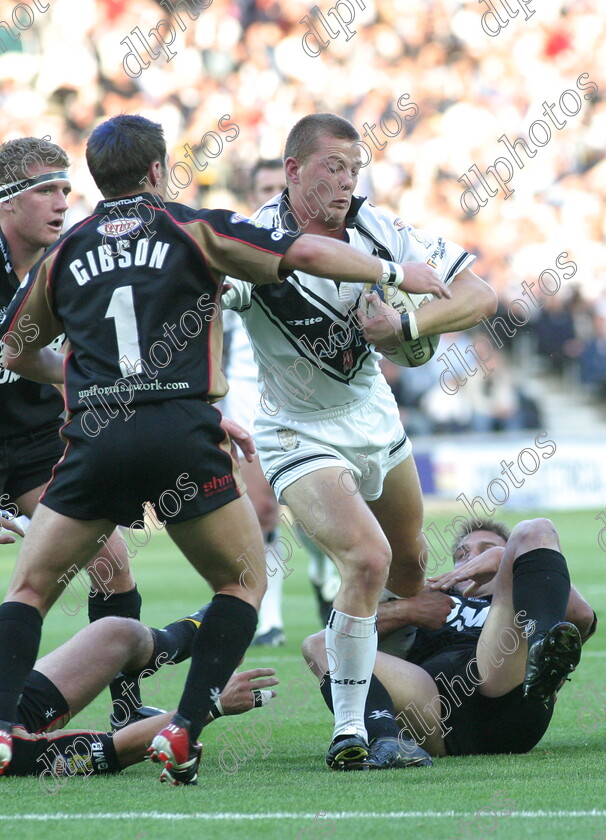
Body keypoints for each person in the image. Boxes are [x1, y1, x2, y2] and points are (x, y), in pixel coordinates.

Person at [0, 114, 446, 782]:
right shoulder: (191, 226)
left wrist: (90, 382)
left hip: (96, 435)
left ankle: (5, 729)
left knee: (32, 587)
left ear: (95, 179)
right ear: (157, 171)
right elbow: (302, 254)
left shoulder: (68, 251)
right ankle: (182, 728)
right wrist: (393, 269)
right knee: (243, 580)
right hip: (182, 429)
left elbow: (14, 346)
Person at [223, 112, 498, 768]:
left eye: (354, 169)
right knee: (367, 559)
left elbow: (479, 294)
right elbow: (205, 303)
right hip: (296, 435)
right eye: (332, 168)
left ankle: (411, 694)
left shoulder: (381, 227)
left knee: (408, 568)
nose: (347, 182)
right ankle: (354, 729)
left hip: (377, 427)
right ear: (292, 171)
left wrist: (406, 322)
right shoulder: (254, 241)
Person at [0, 136, 149, 712]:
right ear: (7, 201)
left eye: (66, 188)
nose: (62, 202)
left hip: (37, 447)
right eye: (45, 190)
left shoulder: (70, 262)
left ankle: (127, 705)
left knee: (111, 562)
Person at [303, 517, 596, 764]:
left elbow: (581, 616)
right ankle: (387, 740)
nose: (472, 557)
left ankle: (541, 653)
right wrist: (406, 610)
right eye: (463, 553)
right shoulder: (431, 598)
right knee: (319, 644)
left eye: (487, 550)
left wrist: (503, 562)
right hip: (431, 714)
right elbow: (342, 629)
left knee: (536, 528)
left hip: (505, 691)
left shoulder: (529, 599)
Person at [222, 159, 339, 646]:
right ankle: (267, 617)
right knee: (262, 508)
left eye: (279, 186)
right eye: (264, 186)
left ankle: (319, 565)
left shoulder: (317, 248)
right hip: (249, 391)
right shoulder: (238, 249)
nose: (273, 193)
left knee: (317, 508)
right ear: (255, 192)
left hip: (307, 392)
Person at [5, 604, 277, 785]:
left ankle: (202, 625)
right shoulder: (10, 752)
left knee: (120, 632)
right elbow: (114, 750)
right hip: (12, 738)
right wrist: (211, 704)